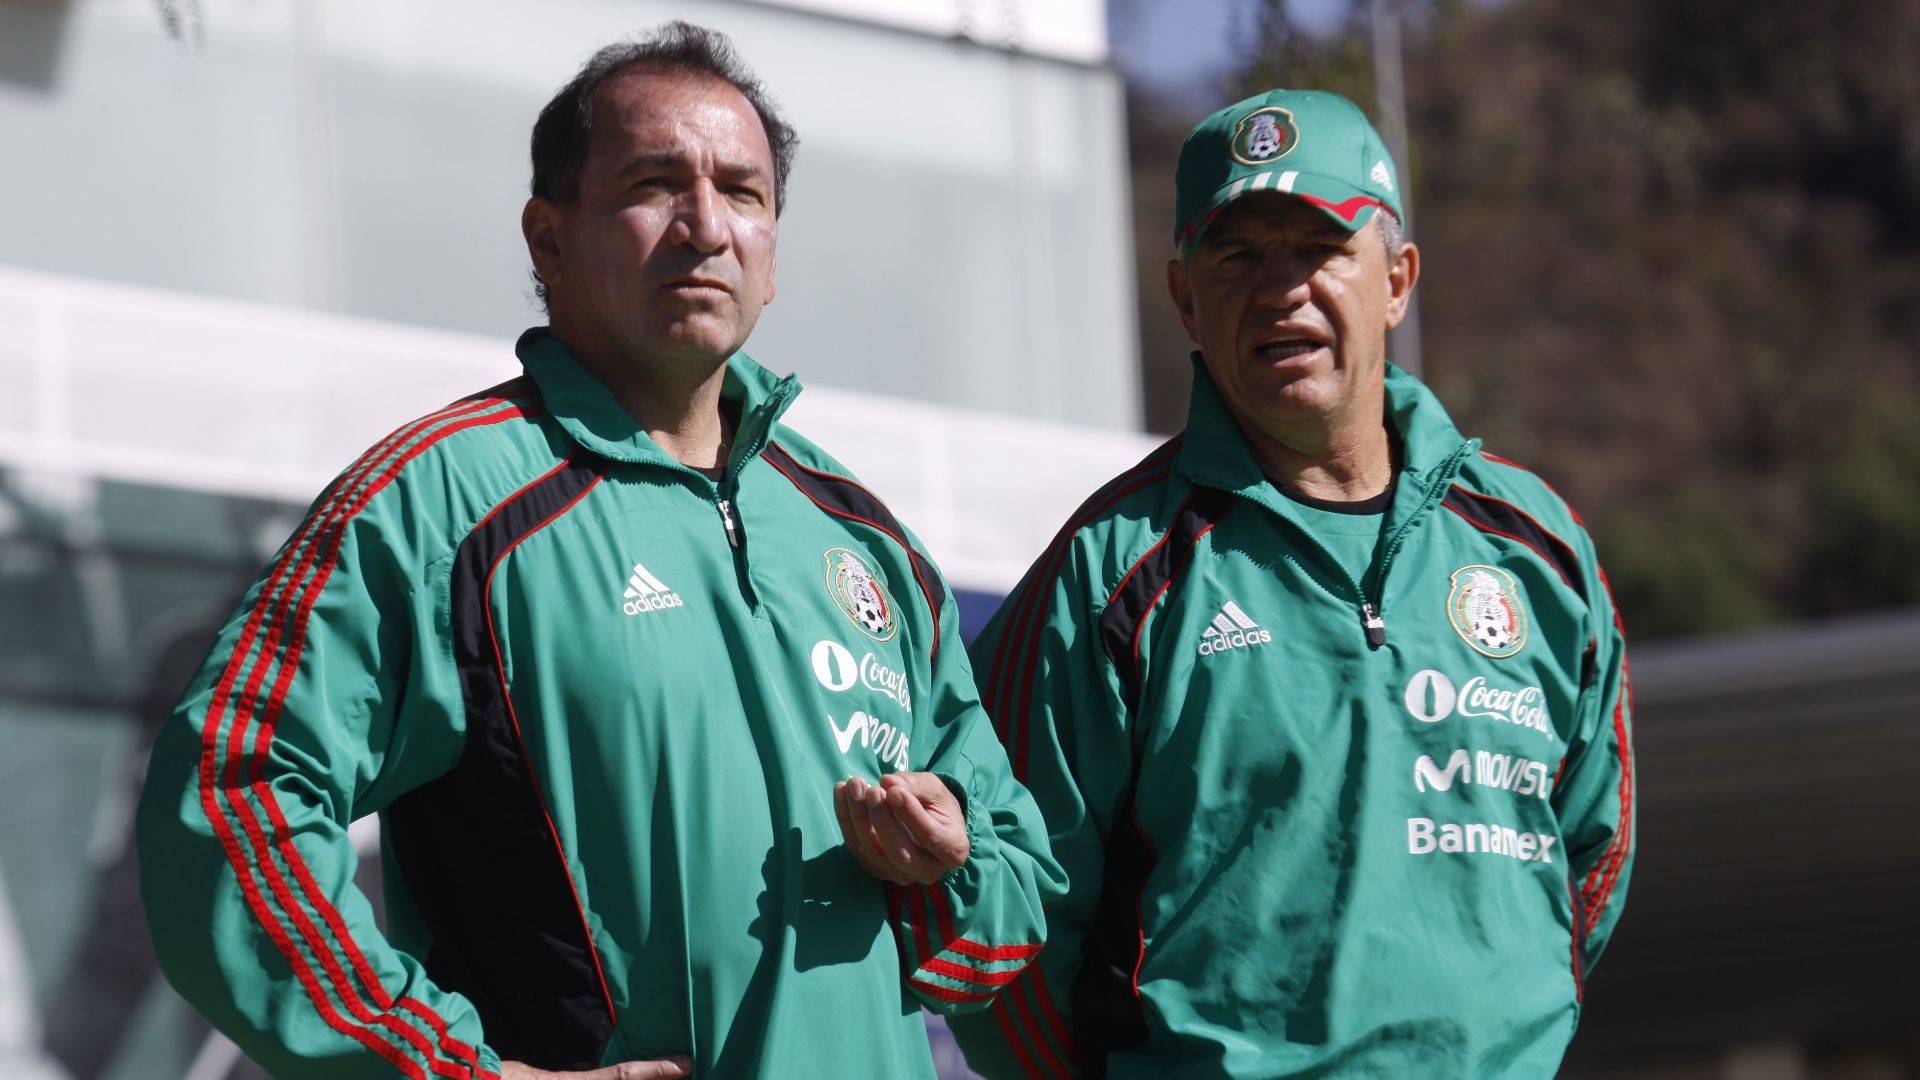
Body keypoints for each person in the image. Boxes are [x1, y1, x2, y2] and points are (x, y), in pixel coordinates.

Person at [137, 22, 1062, 1080]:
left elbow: (1003, 919)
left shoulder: (860, 536)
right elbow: (233, 790)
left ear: (772, 253)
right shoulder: (440, 503)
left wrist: (951, 862)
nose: (706, 227)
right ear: (548, 240)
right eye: (655, 183)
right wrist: (437, 1066)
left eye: (744, 193)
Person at [947, 89, 1636, 1078]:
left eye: (1318, 248)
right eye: (1236, 257)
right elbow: (1000, 921)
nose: (1281, 290)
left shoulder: (1539, 549)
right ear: (1186, 298)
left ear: (1396, 281)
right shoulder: (1108, 572)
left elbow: (1592, 864)